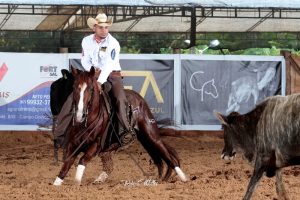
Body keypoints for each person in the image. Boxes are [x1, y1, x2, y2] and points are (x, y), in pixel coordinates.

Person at [53, 13, 134, 147]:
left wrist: (99, 81)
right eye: (101, 27)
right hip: (93, 73)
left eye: (106, 27)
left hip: (112, 75)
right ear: (94, 28)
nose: (104, 30)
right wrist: (92, 71)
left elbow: (108, 65)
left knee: (119, 98)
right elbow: (85, 60)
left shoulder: (113, 43)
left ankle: (124, 131)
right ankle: (60, 134)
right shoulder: (86, 41)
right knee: (73, 96)